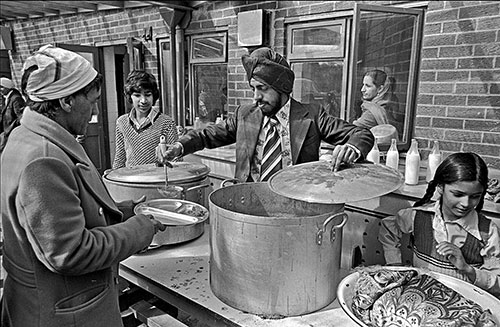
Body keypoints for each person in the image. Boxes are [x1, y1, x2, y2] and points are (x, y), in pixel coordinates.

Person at [1, 44, 165, 327]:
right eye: (92, 100)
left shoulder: (25, 136)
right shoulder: (43, 160)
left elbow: (63, 215)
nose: (95, 110)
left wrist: (122, 211)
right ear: (65, 101)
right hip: (63, 312)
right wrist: (141, 228)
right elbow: (71, 251)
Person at [157, 47, 374, 181]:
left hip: (294, 206)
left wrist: (351, 148)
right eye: (253, 89)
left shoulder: (311, 116)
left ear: (281, 88)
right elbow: (206, 135)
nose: (256, 97)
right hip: (250, 204)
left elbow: (361, 134)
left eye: (262, 89)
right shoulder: (245, 114)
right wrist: (179, 146)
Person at [378, 152, 500, 298]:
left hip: (464, 306)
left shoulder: (488, 231)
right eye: (458, 194)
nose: (466, 204)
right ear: (440, 187)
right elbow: (389, 229)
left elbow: (497, 283)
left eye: (475, 197)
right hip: (419, 300)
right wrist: (395, 267)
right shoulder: (418, 216)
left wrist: (467, 269)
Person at [112, 70, 178, 169]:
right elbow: (120, 158)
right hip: (132, 180)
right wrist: (114, 178)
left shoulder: (166, 123)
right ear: (130, 96)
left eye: (147, 95)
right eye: (137, 95)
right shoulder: (122, 122)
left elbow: (176, 160)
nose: (143, 101)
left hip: (156, 180)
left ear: (154, 96)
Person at [353, 69, 400, 139]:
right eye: (363, 85)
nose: (362, 89)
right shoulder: (387, 105)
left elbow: (351, 131)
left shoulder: (372, 113)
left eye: (368, 86)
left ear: (380, 89)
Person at [0, 77, 26, 151]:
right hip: (6, 132)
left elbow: (21, 117)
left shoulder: (16, 99)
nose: (0, 90)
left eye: (2, 87)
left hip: (11, 133)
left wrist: (12, 127)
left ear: (8, 87)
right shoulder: (6, 98)